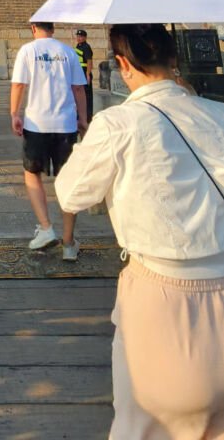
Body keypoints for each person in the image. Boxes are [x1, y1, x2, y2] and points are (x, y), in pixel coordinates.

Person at [55, 23, 224, 439]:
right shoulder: (218, 114)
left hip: (163, 297)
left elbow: (70, 193)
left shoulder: (119, 123)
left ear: (124, 65)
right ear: (174, 59)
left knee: (143, 426)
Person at [10, 20, 87, 260]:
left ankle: (45, 228)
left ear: (34, 28)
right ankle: (68, 242)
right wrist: (83, 119)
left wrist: (14, 114)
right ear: (53, 29)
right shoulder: (67, 51)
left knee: (32, 174)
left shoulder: (28, 50)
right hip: (66, 124)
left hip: (36, 123)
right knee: (68, 181)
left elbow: (19, 85)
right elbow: (78, 89)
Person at [74, 28, 94, 122]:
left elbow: (89, 61)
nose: (79, 38)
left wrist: (88, 74)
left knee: (87, 95)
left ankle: (88, 116)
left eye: (81, 36)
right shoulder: (78, 46)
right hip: (79, 72)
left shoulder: (86, 47)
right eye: (78, 36)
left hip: (85, 72)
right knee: (80, 94)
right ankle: (80, 114)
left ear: (85, 37)